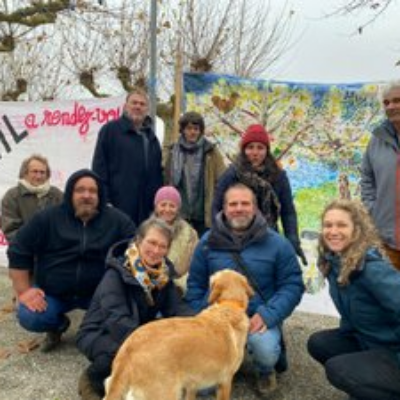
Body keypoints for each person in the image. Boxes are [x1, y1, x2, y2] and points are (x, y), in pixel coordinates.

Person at [186, 183, 304, 396]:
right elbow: (195, 285)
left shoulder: (277, 244)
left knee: (265, 349)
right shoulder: (207, 242)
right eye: (233, 204)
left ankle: (264, 370)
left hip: (256, 319)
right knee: (204, 390)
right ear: (224, 208)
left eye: (245, 203)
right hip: (217, 321)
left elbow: (293, 284)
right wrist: (199, 319)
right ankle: (223, 364)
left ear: (255, 207)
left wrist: (269, 314)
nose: (239, 208)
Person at [7, 169, 136, 353]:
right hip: (54, 293)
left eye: (92, 191)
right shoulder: (48, 218)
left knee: (128, 315)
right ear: (69, 193)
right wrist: (24, 291)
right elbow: (18, 249)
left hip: (98, 294)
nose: (86, 195)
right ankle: (58, 325)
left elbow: (137, 249)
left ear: (100, 195)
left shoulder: (117, 220)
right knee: (30, 316)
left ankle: (95, 325)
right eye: (80, 190)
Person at [76, 218, 192, 400]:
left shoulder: (162, 275)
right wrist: (154, 349)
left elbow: (176, 307)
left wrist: (200, 324)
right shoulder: (116, 274)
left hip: (137, 328)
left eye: (162, 246)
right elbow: (117, 321)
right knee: (123, 354)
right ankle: (91, 379)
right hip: (100, 332)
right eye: (151, 243)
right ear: (138, 241)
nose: (156, 251)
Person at [307, 199, 400, 400]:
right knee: (318, 343)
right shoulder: (334, 262)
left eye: (342, 225)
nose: (333, 231)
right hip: (368, 340)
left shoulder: (372, 269)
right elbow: (351, 312)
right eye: (328, 225)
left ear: (357, 230)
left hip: (393, 350)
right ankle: (370, 387)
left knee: (339, 369)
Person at [212, 124, 307, 265]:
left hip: (269, 238)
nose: (255, 153)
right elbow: (216, 206)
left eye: (260, 148)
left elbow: (287, 212)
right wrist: (222, 236)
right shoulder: (232, 174)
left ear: (266, 150)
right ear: (244, 150)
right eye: (250, 147)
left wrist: (292, 240)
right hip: (237, 238)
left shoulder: (278, 176)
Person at [92, 88, 163, 226]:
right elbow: (99, 169)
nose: (138, 107)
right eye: (134, 103)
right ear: (125, 106)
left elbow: (157, 175)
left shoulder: (151, 138)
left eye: (142, 104)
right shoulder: (110, 131)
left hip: (146, 212)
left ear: (147, 109)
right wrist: (104, 201)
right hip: (117, 208)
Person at [164, 111, 226, 236]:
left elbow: (222, 180)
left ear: (200, 131)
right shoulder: (172, 151)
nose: (192, 132)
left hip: (203, 214)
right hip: (180, 212)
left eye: (196, 129)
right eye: (189, 128)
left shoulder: (211, 152)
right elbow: (166, 180)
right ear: (183, 130)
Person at [361, 81, 400, 270]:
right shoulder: (377, 140)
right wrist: (373, 210)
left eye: (397, 100)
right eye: (386, 102)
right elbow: (367, 179)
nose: (391, 106)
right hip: (387, 242)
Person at [1, 154, 63, 243]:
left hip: (55, 249)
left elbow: (66, 224)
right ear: (25, 173)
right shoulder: (12, 196)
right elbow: (10, 230)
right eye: (34, 171)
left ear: (47, 175)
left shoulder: (57, 195)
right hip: (24, 249)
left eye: (42, 172)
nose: (39, 176)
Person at [153, 186, 198, 295]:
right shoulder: (146, 230)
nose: (167, 209)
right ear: (156, 207)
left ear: (178, 209)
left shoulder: (190, 234)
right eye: (163, 205)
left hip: (179, 290)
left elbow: (196, 267)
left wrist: (178, 286)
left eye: (172, 206)